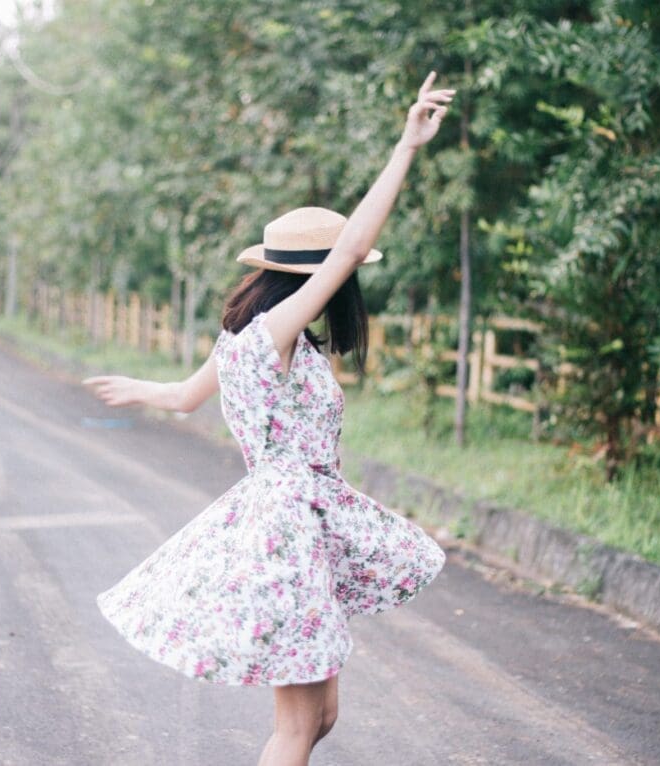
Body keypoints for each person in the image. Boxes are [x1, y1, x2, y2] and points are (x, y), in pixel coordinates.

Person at [84, 72, 454, 766]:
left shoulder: (251, 340)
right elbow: (347, 254)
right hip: (286, 526)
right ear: (310, 278)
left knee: (320, 717)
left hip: (299, 522)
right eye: (337, 275)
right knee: (297, 725)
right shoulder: (277, 332)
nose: (347, 282)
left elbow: (188, 396)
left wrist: (136, 386)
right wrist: (406, 146)